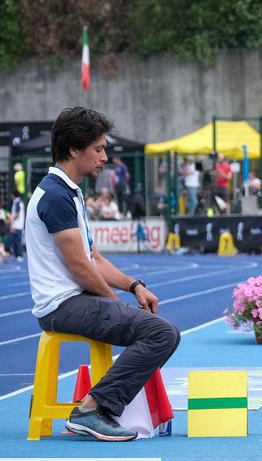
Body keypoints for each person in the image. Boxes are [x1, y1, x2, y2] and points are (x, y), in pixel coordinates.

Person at [25, 107, 179, 441]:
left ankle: (97, 407)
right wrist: (113, 302)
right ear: (73, 150)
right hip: (62, 305)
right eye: (98, 149)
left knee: (156, 329)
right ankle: (92, 408)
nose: (105, 157)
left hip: (73, 300)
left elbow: (93, 258)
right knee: (161, 334)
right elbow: (79, 267)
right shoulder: (55, 196)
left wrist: (133, 286)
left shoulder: (69, 192)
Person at [9, 189, 25, 261]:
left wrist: (12, 218)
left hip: (17, 225)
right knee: (15, 241)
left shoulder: (18, 202)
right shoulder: (16, 202)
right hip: (16, 225)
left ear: (13, 195)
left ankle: (20, 255)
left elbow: (17, 214)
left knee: (18, 241)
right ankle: (17, 255)